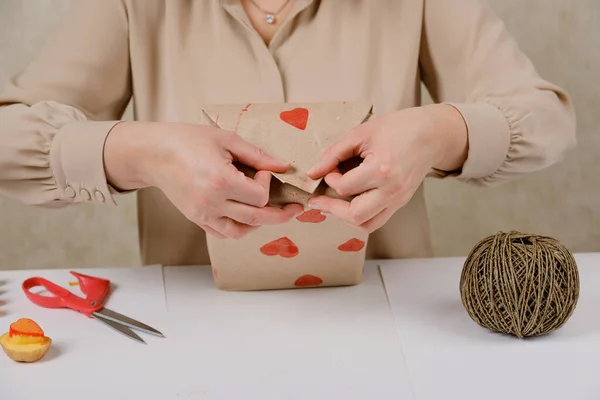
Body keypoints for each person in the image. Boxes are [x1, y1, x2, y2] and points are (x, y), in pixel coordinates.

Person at [0, 0, 576, 266]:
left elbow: (547, 118)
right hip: (192, 329)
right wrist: (138, 151)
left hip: (388, 323)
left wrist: (437, 133)